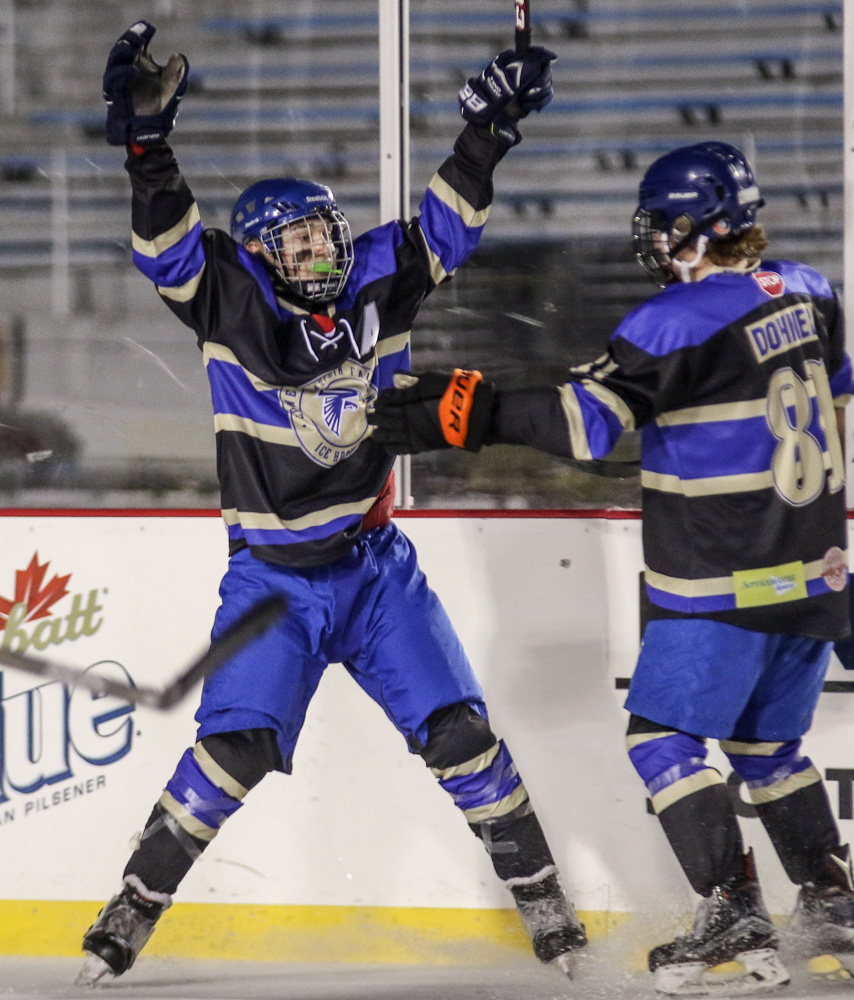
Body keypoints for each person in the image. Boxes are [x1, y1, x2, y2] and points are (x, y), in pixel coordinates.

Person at [78, 20, 587, 986]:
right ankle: (133, 906)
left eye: (324, 234)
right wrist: (149, 151)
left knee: (462, 738)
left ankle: (549, 909)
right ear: (264, 252)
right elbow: (164, 244)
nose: (318, 251)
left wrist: (490, 132)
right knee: (230, 749)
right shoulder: (225, 293)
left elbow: (450, 222)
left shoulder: (377, 277)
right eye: (298, 240)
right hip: (273, 580)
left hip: (373, 568)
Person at [369, 141, 854, 996]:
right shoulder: (807, 288)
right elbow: (833, 381)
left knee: (664, 744)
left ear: (693, 228)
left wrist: (470, 412)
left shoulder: (672, 322)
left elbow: (584, 425)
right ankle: (830, 906)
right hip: (813, 571)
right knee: (764, 745)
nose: (649, 243)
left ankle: (732, 916)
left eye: (659, 227)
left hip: (724, 574)